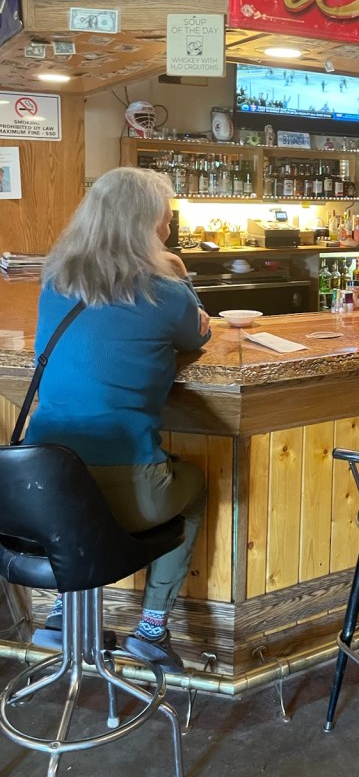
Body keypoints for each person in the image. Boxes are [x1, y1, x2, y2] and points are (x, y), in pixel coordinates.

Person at [24, 167, 211, 670]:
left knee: (76, 516)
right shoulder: (165, 292)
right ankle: (151, 630)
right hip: (126, 483)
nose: (169, 230)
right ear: (147, 225)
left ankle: (64, 610)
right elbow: (198, 337)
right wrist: (178, 271)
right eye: (165, 221)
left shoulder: (55, 282)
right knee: (193, 487)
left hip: (37, 486)